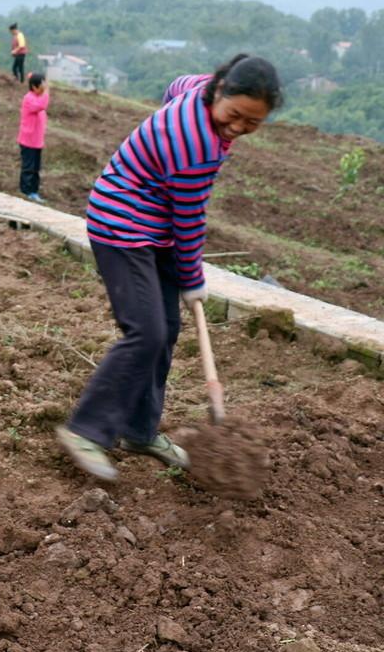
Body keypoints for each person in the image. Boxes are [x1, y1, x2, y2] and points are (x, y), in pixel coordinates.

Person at [56, 54, 282, 481]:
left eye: (251, 123)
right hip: (121, 226)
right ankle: (85, 429)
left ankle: (139, 431)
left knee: (168, 330)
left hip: (153, 227)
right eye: (234, 116)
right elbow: (189, 218)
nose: (237, 128)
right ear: (220, 91)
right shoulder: (195, 146)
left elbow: (176, 85)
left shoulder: (198, 88)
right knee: (147, 331)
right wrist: (193, 278)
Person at [17, 72, 50, 202]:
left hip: (37, 142)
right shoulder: (29, 98)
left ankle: (34, 191)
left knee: (36, 169)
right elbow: (41, 105)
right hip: (28, 141)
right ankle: (26, 191)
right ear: (34, 86)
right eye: (41, 84)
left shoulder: (38, 97)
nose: (43, 87)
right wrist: (47, 92)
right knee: (28, 168)